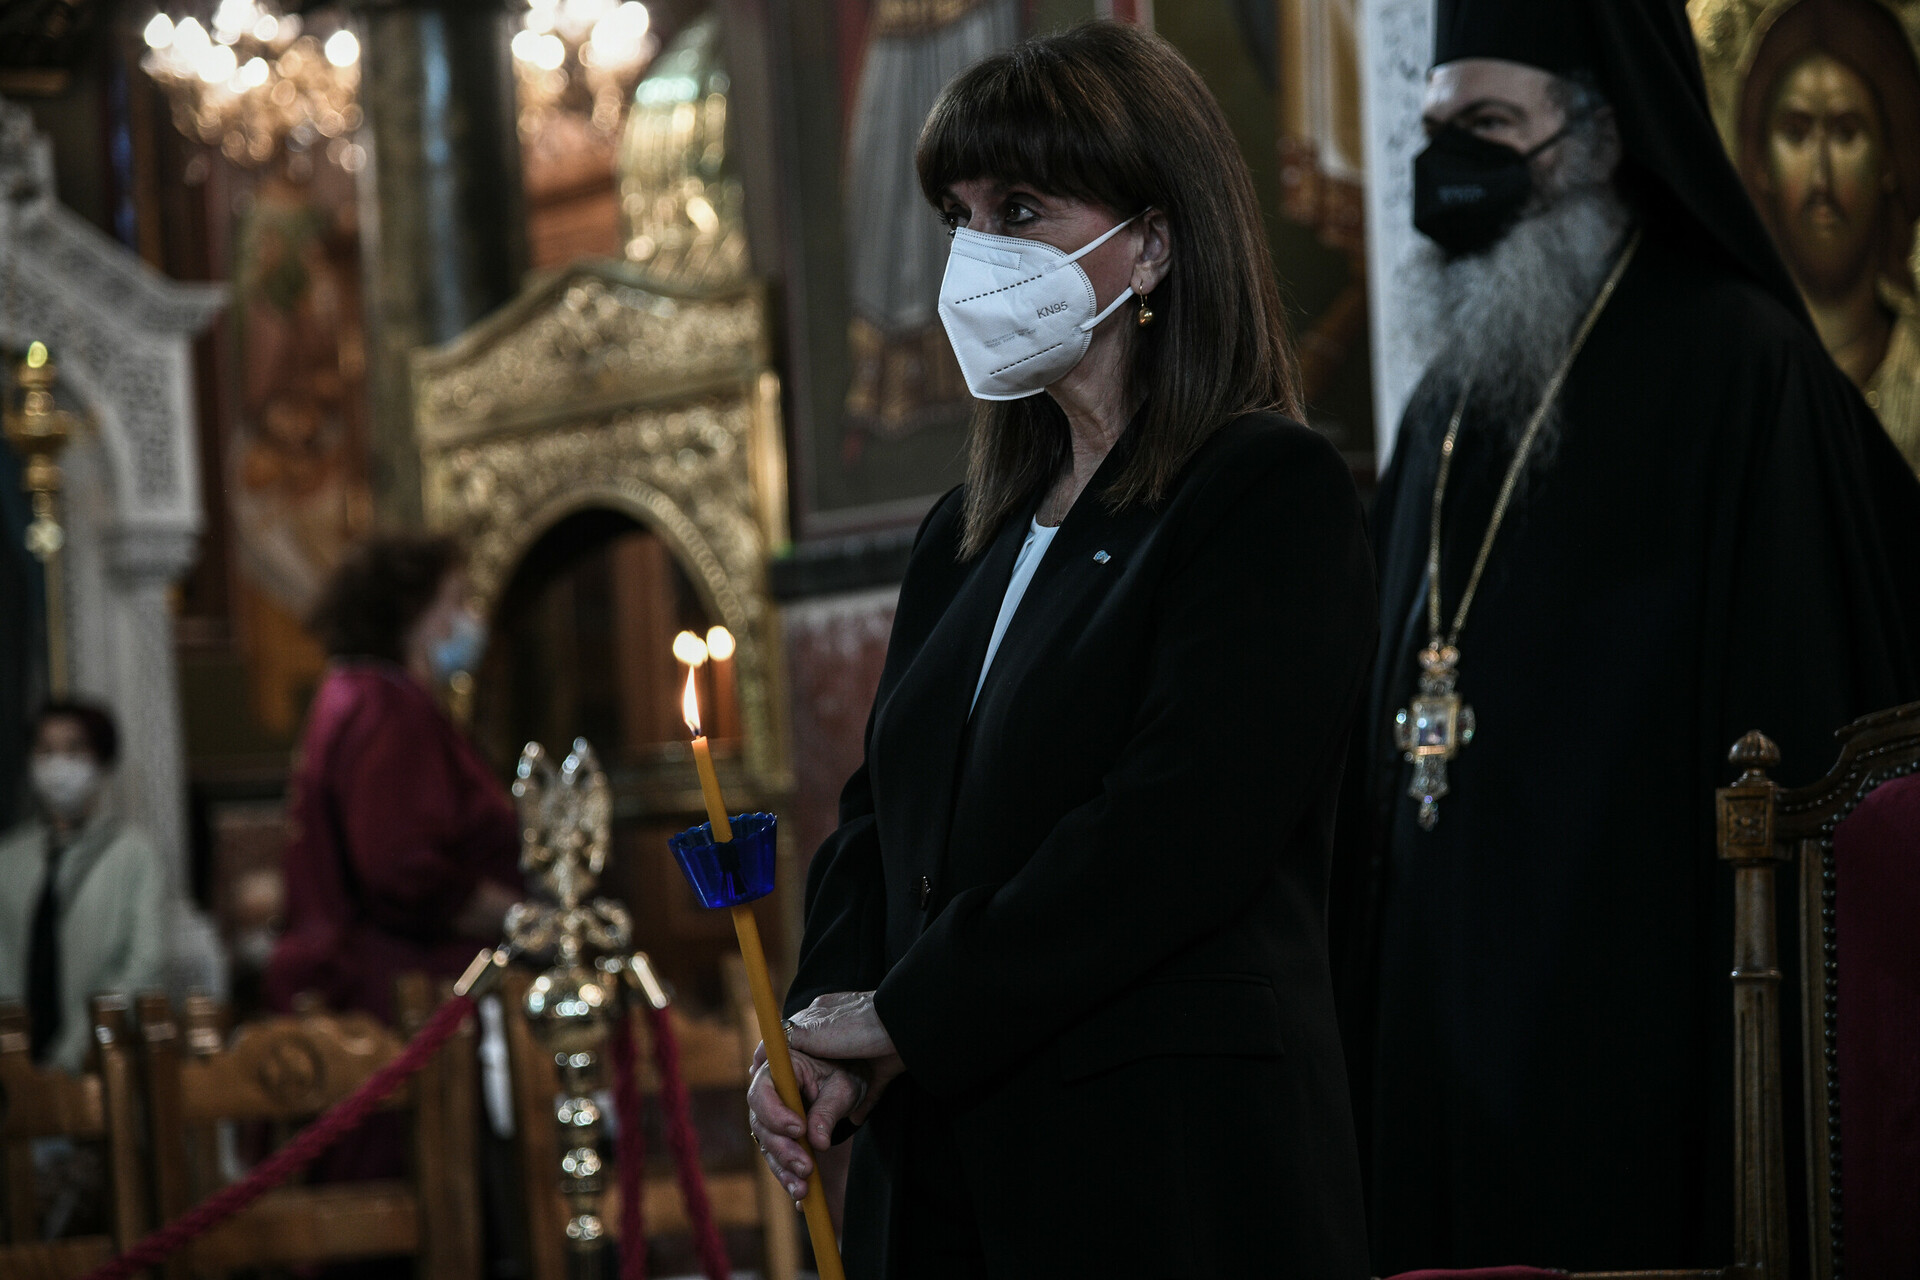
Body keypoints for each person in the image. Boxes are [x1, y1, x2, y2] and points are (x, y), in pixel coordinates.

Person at [746, 23, 1376, 1278]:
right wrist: (825, 1023)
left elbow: (1175, 831)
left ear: (1152, 242)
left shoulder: (1263, 492)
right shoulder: (963, 533)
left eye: (1021, 209)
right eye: (959, 215)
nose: (975, 253)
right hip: (945, 1179)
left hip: (1159, 1169)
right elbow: (879, 816)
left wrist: (910, 1011)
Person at [1344, 0, 1920, 1270]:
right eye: (1436, 130)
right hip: (1440, 1028)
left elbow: (1812, 751)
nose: (1450, 167)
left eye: (1491, 126)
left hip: (1640, 1022)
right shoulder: (1444, 408)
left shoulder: (1744, 374)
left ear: (1601, 137)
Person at [265, 533, 520, 1026]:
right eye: (457, 602)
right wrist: (523, 920)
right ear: (412, 614)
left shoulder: (354, 692)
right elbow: (403, 869)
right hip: (397, 992)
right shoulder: (388, 710)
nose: (470, 619)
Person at [1737, 0, 1920, 469]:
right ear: (1760, 164)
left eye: (1845, 132)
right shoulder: (1729, 374)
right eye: (1796, 133)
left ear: (1889, 159)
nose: (1820, 176)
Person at [0, 701, 166, 1073]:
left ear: (101, 760)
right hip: (15, 1066)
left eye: (74, 750)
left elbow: (144, 962)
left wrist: (76, 1048)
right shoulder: (8, 859)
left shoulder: (132, 854)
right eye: (46, 751)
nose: (58, 764)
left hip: (98, 1062)